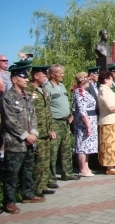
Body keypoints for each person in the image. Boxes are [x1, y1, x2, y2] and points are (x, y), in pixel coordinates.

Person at [0, 65, 45, 214]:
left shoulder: (27, 96)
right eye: (23, 77)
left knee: (28, 170)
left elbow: (33, 116)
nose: (26, 79)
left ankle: (27, 194)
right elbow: (10, 121)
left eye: (27, 77)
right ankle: (9, 201)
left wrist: (33, 133)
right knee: (11, 173)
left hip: (29, 142)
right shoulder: (8, 97)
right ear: (14, 79)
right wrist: (26, 136)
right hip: (15, 143)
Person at [44, 64, 80, 189]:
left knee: (66, 150)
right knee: (53, 151)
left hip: (65, 122)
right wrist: (50, 127)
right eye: (61, 73)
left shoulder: (62, 86)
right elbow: (46, 107)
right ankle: (51, 178)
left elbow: (65, 102)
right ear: (53, 74)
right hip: (54, 122)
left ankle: (67, 173)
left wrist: (70, 113)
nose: (63, 75)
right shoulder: (46, 87)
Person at [27, 65, 58, 196]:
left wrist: (51, 128)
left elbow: (48, 111)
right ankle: (36, 188)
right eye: (44, 75)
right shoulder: (28, 90)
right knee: (38, 161)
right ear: (36, 76)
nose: (46, 77)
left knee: (46, 160)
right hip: (36, 131)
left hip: (46, 131)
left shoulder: (43, 90)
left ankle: (43, 185)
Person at [97, 70, 115, 175]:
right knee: (110, 144)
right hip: (108, 122)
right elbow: (111, 107)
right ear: (106, 79)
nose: (112, 80)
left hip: (114, 121)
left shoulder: (107, 89)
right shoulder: (104, 90)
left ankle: (114, 164)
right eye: (110, 78)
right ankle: (109, 167)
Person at [72, 72, 98, 177]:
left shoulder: (84, 91)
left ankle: (86, 167)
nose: (89, 83)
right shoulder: (79, 92)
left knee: (87, 146)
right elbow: (82, 111)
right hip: (83, 123)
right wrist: (88, 125)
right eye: (87, 81)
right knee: (82, 145)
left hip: (91, 120)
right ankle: (82, 169)